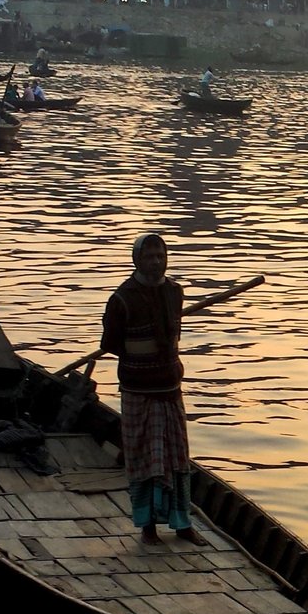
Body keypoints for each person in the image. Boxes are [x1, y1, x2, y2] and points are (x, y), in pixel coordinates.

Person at [101, 234, 209, 547]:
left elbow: (174, 331)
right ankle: (148, 528)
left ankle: (182, 524)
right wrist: (140, 357)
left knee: (177, 458)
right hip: (138, 389)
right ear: (137, 260)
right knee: (143, 457)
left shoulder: (175, 292)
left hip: (170, 387)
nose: (155, 262)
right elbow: (110, 344)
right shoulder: (121, 298)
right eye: (149, 257)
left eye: (160, 256)